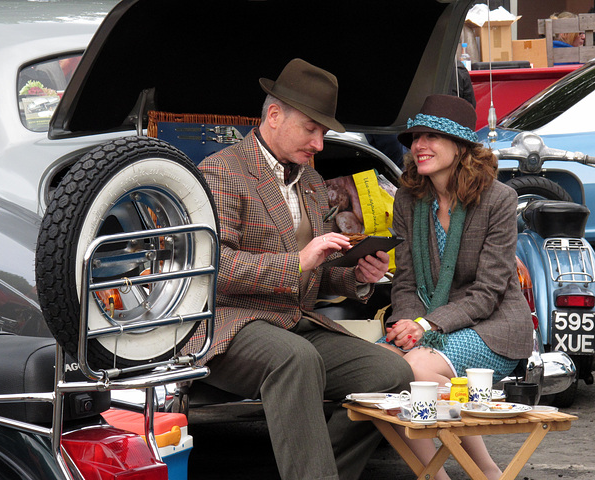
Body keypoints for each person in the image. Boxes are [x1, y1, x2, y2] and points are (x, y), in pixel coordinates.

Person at [187, 58, 414, 480]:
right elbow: (215, 269)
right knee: (297, 359)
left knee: (393, 373)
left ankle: (320, 472)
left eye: (323, 133)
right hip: (230, 324)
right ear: (274, 116)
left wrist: (358, 276)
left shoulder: (310, 180)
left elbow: (320, 270)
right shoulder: (222, 171)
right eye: (311, 129)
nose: (319, 144)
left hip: (294, 323)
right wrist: (299, 260)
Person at [379, 94, 533, 480]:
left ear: (461, 146)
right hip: (427, 326)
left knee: (411, 369)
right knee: (382, 372)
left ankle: (453, 474)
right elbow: (406, 281)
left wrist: (426, 327)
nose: (419, 145)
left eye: (432, 136)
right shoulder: (408, 199)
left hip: (494, 327)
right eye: (415, 137)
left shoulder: (498, 199)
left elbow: (489, 291)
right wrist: (405, 324)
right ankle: (483, 473)